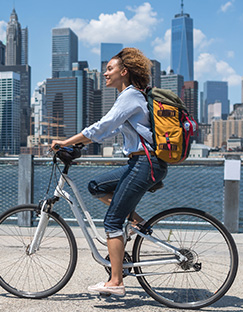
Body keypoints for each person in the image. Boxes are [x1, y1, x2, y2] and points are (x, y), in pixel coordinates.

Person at [51, 47, 167, 297]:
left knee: (112, 221)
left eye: (110, 69)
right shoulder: (130, 96)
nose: (105, 73)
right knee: (96, 186)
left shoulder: (130, 95)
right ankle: (135, 220)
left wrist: (67, 142)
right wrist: (81, 143)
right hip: (141, 162)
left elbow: (103, 125)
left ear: (123, 72)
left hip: (145, 163)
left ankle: (116, 282)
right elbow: (112, 130)